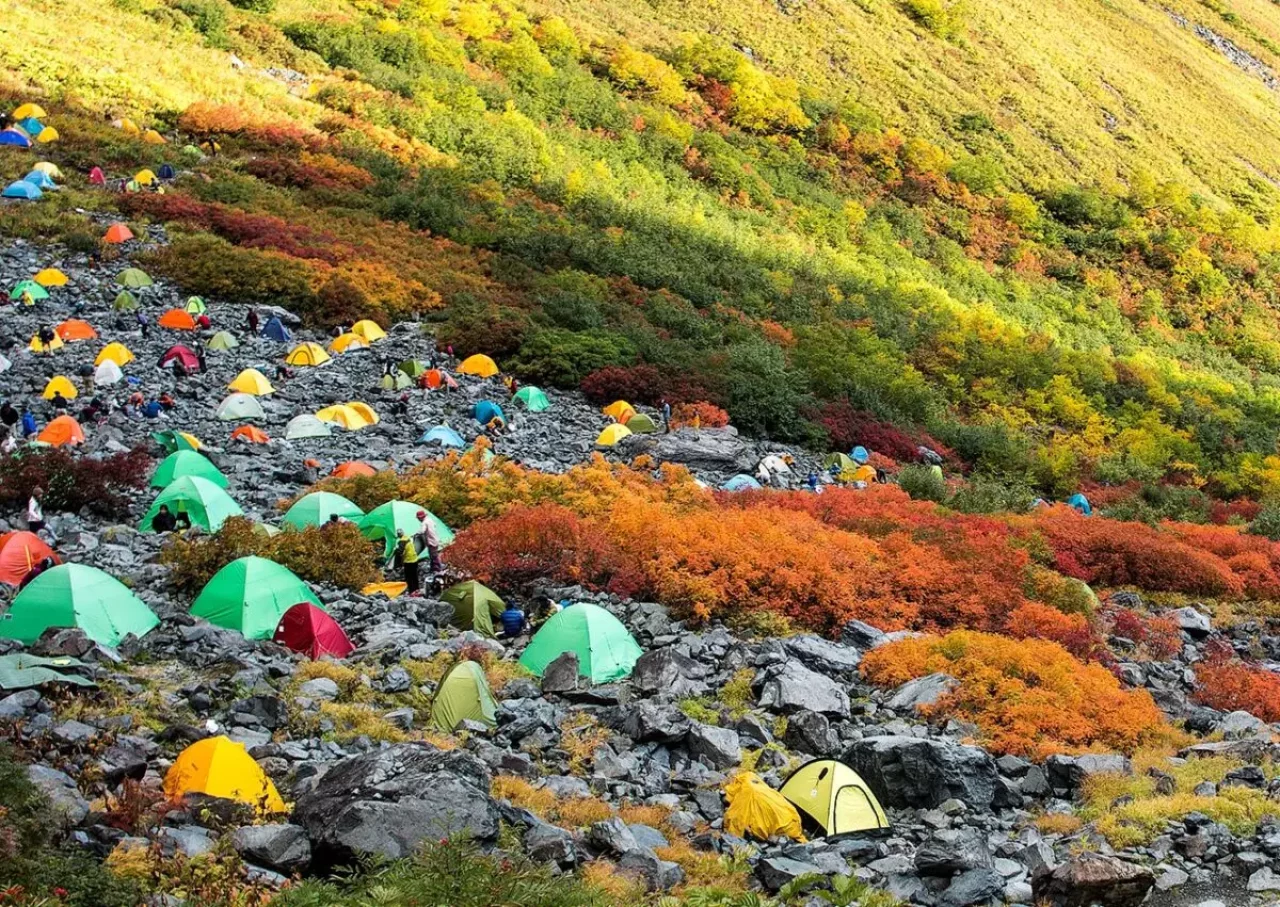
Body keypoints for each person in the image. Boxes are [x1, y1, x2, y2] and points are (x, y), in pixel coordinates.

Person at [415, 510, 443, 574]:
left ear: (421, 517)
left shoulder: (424, 522)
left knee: (434, 555)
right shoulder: (430, 520)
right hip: (435, 539)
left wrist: (416, 534)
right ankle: (433, 568)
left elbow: (422, 531)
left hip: (431, 541)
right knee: (432, 555)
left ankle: (438, 569)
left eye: (418, 518)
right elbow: (435, 525)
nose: (418, 519)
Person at [393, 529, 420, 595]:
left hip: (408, 561)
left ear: (399, 535)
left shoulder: (402, 541)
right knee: (414, 575)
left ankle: (411, 591)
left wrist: (395, 551)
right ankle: (417, 589)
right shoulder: (408, 538)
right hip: (415, 559)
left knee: (409, 577)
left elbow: (400, 552)